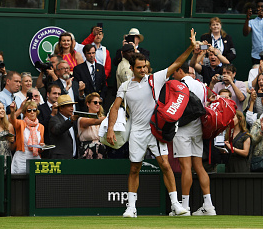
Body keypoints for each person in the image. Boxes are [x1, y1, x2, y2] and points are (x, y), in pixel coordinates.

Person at [106, 31, 197, 218]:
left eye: (145, 67)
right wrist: (110, 129)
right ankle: (131, 208)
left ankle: (175, 205)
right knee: (134, 168)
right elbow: (115, 108)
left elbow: (177, 64)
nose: (144, 70)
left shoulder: (155, 78)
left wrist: (191, 47)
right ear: (132, 68)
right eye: (139, 67)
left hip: (155, 130)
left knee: (165, 164)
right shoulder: (125, 87)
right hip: (136, 132)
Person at [171, 63, 215, 215]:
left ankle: (185, 207)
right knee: (198, 166)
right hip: (198, 129)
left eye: (174, 72)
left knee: (186, 167)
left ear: (180, 70)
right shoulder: (201, 85)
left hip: (183, 129)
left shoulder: (178, 85)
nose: (172, 75)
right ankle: (209, 206)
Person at [9, 98, 44, 173]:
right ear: (25, 113)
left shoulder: (41, 127)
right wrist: (12, 111)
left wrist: (42, 146)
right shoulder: (21, 123)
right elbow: (12, 120)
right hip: (21, 158)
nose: (32, 112)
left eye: (34, 110)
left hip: (35, 158)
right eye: (29, 110)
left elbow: (41, 146)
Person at [48, 94, 78, 159]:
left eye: (72, 105)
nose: (72, 108)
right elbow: (58, 130)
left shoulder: (72, 121)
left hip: (72, 157)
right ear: (61, 108)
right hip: (60, 158)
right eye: (69, 106)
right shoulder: (54, 120)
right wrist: (70, 120)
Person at [77, 92, 106, 159]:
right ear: (88, 104)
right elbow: (94, 121)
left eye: (100, 103)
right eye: (95, 102)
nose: (98, 104)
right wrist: (109, 117)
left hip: (100, 151)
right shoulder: (82, 118)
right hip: (87, 152)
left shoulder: (103, 119)